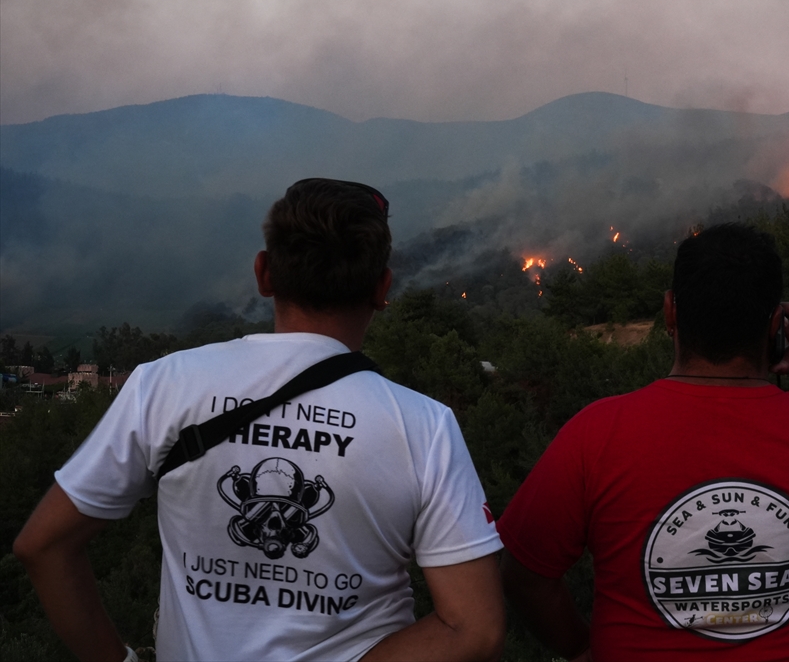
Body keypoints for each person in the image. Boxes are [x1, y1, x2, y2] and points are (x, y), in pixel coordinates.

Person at [15, 179, 505, 662]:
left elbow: (44, 546)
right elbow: (473, 628)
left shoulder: (164, 385)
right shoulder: (424, 426)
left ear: (264, 274)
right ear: (382, 289)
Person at [497, 223, 789, 661]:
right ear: (777, 324)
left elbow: (523, 572)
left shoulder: (595, 434)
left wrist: (581, 645)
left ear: (670, 313)